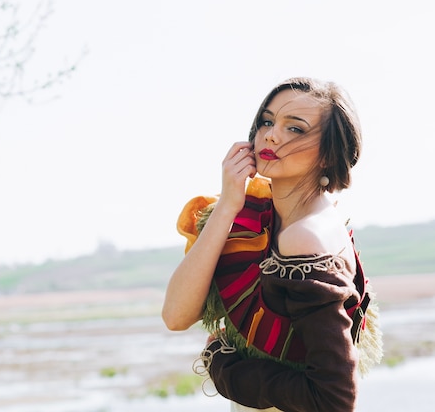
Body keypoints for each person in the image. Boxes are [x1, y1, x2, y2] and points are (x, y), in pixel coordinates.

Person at [162, 77, 382, 412]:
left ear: (328, 153)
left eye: (294, 129)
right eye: (267, 121)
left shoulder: (304, 238)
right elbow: (176, 316)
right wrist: (227, 205)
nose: (272, 135)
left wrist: (225, 368)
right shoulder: (258, 214)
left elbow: (333, 399)